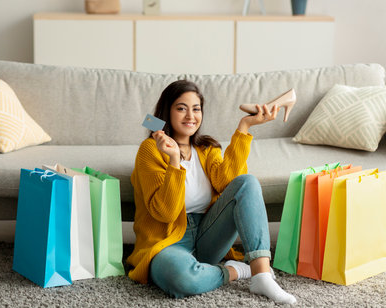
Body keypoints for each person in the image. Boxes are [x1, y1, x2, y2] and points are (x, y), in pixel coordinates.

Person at [126, 80, 296, 304]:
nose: (190, 116)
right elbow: (165, 213)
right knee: (182, 278)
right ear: (166, 112)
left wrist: (244, 127)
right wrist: (174, 160)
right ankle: (235, 271)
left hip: (208, 235)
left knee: (248, 182)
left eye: (196, 109)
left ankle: (262, 275)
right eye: (181, 108)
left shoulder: (207, 148)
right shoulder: (150, 151)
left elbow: (230, 184)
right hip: (168, 240)